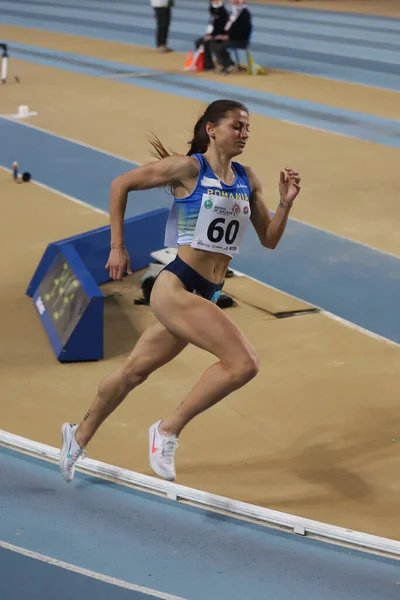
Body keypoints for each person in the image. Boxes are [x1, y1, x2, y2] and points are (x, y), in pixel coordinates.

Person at [59, 99, 301, 484]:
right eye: (237, 126)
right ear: (211, 129)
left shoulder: (246, 178)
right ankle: (167, 429)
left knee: (133, 372)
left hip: (205, 293)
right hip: (176, 285)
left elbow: (269, 238)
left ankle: (78, 435)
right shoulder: (190, 169)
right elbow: (121, 184)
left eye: (248, 128)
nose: (244, 134)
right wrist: (117, 246)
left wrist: (286, 204)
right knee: (243, 364)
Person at [210, 0, 252, 74]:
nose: (232, 2)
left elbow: (243, 30)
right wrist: (221, 35)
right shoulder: (234, 12)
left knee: (219, 46)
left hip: (239, 40)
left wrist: (228, 37)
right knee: (213, 42)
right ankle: (228, 63)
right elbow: (228, 27)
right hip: (231, 37)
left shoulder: (245, 14)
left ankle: (227, 65)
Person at [194, 1, 229, 71]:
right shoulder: (213, 10)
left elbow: (221, 27)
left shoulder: (223, 13)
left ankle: (209, 65)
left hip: (221, 35)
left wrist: (212, 36)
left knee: (206, 42)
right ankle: (207, 63)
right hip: (215, 34)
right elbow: (212, 25)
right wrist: (208, 34)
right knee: (199, 42)